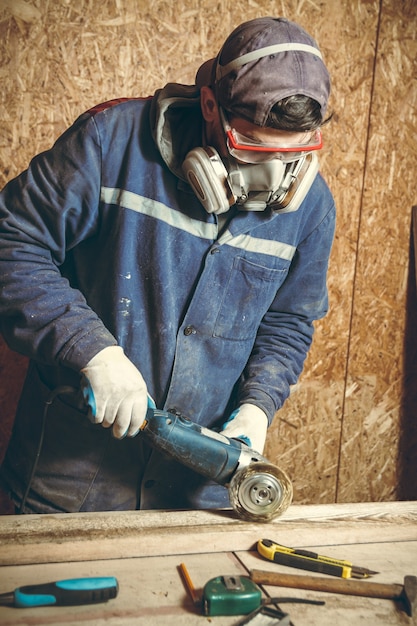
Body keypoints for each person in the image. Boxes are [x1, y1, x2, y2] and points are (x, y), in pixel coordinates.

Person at [0, 16, 335, 514]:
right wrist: (93, 353)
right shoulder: (109, 144)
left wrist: (256, 407)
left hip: (196, 489)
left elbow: (288, 320)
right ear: (209, 106)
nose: (273, 177)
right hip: (67, 481)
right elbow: (12, 240)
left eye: (293, 155)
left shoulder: (310, 207)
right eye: (252, 147)